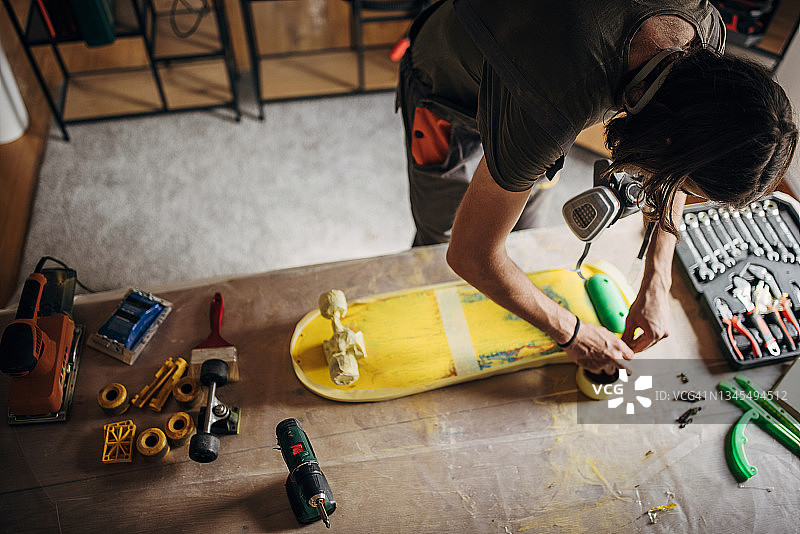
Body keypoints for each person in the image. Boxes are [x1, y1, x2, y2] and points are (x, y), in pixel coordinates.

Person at [397, 0, 798, 374]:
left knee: (524, 228)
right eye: (683, 183)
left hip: (532, 86)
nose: (674, 189)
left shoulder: (705, 42)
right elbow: (469, 254)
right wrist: (572, 333)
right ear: (667, 142)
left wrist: (658, 278)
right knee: (440, 240)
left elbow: (685, 156)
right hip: (449, 88)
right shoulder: (553, 106)